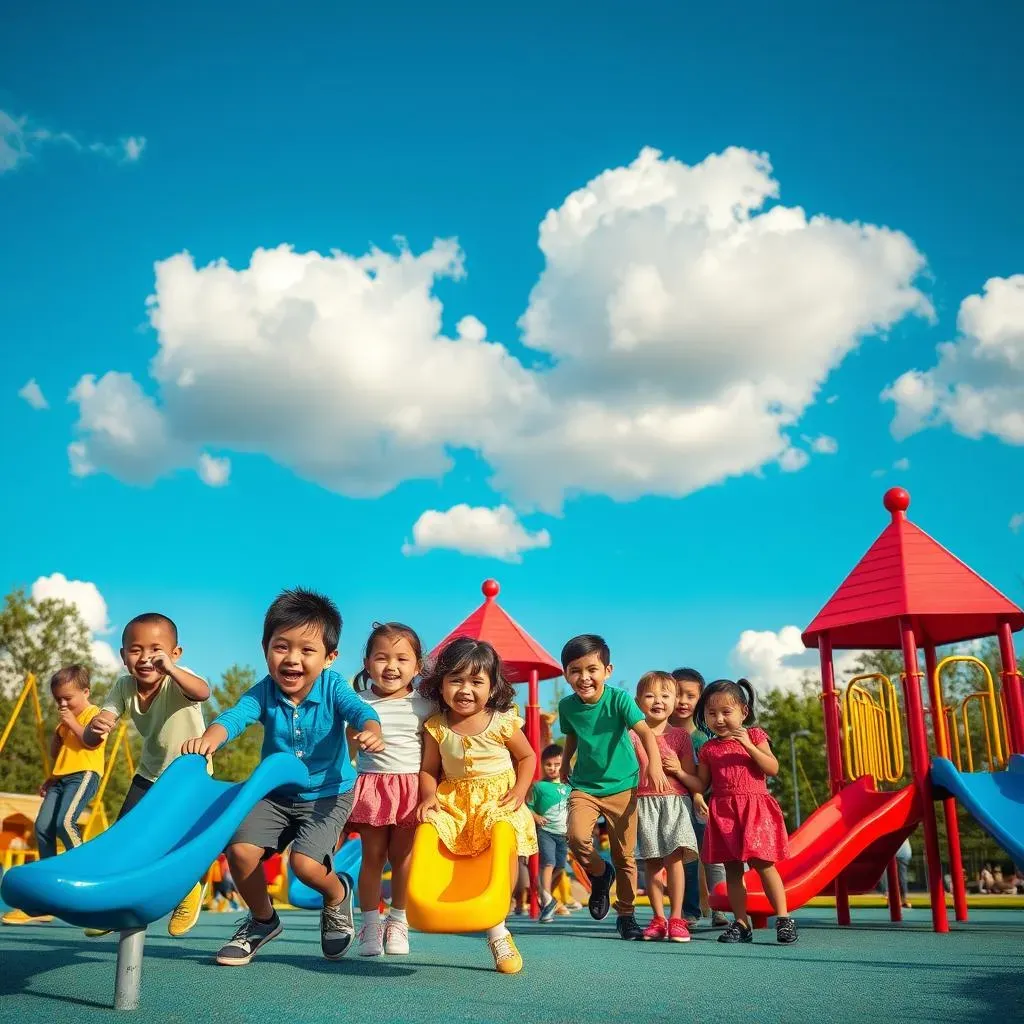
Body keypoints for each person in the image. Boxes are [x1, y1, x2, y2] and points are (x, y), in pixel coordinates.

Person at [182, 588, 383, 966]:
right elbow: (235, 716)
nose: (292, 659)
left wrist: (372, 728)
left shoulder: (333, 686)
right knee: (240, 852)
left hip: (327, 793)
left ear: (329, 657)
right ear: (265, 648)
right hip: (276, 795)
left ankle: (337, 893)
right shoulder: (264, 692)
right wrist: (210, 739)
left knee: (305, 868)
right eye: (281, 647)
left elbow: (358, 710)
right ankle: (261, 920)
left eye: (307, 650)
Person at [82, 612, 210, 937]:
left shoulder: (178, 679)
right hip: (149, 773)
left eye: (156, 649)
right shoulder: (124, 686)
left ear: (175, 654)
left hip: (188, 773)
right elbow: (98, 728)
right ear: (124, 656)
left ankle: (189, 890)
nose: (145, 657)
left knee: (172, 841)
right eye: (135, 649)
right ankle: (115, 907)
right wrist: (97, 728)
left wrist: (172, 670)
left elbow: (202, 692)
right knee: (123, 838)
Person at [416, 638, 537, 975]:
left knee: (502, 839)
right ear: (440, 684)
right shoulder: (437, 726)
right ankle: (460, 910)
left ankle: (497, 927)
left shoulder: (501, 721)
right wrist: (428, 797)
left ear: (492, 685)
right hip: (455, 801)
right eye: (456, 680)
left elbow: (527, 756)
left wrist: (520, 791)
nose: (465, 689)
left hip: (496, 800)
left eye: (476, 681)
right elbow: (428, 769)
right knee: (429, 829)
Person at [558, 634, 669, 941]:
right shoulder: (567, 707)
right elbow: (572, 735)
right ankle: (599, 873)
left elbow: (646, 734)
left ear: (607, 670)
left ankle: (627, 915)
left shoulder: (618, 699)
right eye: (575, 670)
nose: (584, 677)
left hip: (623, 786)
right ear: (566, 673)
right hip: (585, 786)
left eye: (591, 669)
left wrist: (654, 766)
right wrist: (566, 762)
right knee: (576, 836)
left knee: (625, 856)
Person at [348, 622, 431, 957]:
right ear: (367, 663)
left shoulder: (425, 704)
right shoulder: (356, 704)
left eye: (402, 659)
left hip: (412, 786)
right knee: (372, 857)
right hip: (372, 786)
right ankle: (370, 924)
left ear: (417, 666)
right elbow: (347, 752)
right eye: (382, 658)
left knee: (404, 859)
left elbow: (436, 749)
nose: (392, 667)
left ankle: (398, 920)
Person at [695, 678, 797, 945]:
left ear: (744, 711)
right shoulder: (708, 749)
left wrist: (748, 746)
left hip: (754, 809)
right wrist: (683, 778)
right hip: (724, 811)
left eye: (726, 712)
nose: (719, 719)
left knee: (764, 865)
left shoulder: (755, 735)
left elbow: (771, 768)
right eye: (711, 713)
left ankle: (784, 918)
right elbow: (701, 783)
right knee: (732, 870)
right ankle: (741, 923)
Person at [2, 665, 106, 926]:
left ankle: (87, 875)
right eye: (58, 698)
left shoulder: (94, 715)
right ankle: (47, 894)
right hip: (61, 778)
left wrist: (71, 722)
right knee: (43, 826)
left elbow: (91, 741)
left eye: (67, 698)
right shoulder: (64, 723)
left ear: (86, 692)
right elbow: (57, 754)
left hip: (84, 774)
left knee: (64, 821)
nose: (62, 703)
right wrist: (52, 773)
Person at [631, 671, 702, 943]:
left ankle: (677, 917)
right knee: (651, 862)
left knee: (674, 860)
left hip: (675, 802)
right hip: (645, 801)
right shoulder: (632, 735)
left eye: (665, 696)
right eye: (650, 696)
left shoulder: (681, 736)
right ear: (638, 702)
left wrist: (677, 772)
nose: (658, 701)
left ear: (673, 701)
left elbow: (693, 778)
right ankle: (658, 918)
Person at [671, 667, 728, 928]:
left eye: (690, 696)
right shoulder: (664, 735)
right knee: (687, 858)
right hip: (675, 805)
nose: (683, 701)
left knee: (714, 857)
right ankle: (690, 911)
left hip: (706, 802)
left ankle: (721, 907)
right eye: (678, 694)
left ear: (700, 699)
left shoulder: (705, 737)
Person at [527, 743, 572, 923]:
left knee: (560, 867)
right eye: (549, 765)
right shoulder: (539, 787)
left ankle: (546, 896)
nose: (553, 768)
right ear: (543, 765)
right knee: (548, 863)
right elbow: (527, 807)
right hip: (546, 832)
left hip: (563, 834)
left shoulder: (569, 788)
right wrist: (536, 816)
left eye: (557, 764)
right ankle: (546, 899)